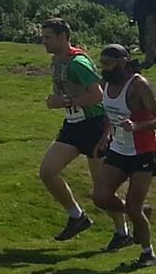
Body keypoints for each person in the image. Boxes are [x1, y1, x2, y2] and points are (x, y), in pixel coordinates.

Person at [38, 18, 128, 246]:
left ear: (62, 37)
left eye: (48, 37)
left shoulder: (77, 62)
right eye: (44, 36)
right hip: (73, 125)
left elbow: (97, 95)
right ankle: (77, 217)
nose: (44, 41)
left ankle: (123, 231)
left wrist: (63, 101)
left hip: (95, 126)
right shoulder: (57, 61)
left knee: (102, 192)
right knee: (48, 171)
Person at [91, 45, 156, 269]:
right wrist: (105, 136)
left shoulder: (138, 86)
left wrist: (138, 126)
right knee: (100, 196)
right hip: (118, 149)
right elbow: (110, 114)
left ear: (123, 62)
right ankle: (142, 213)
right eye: (102, 62)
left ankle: (148, 253)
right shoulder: (105, 84)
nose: (103, 68)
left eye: (108, 63)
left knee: (133, 207)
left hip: (143, 151)